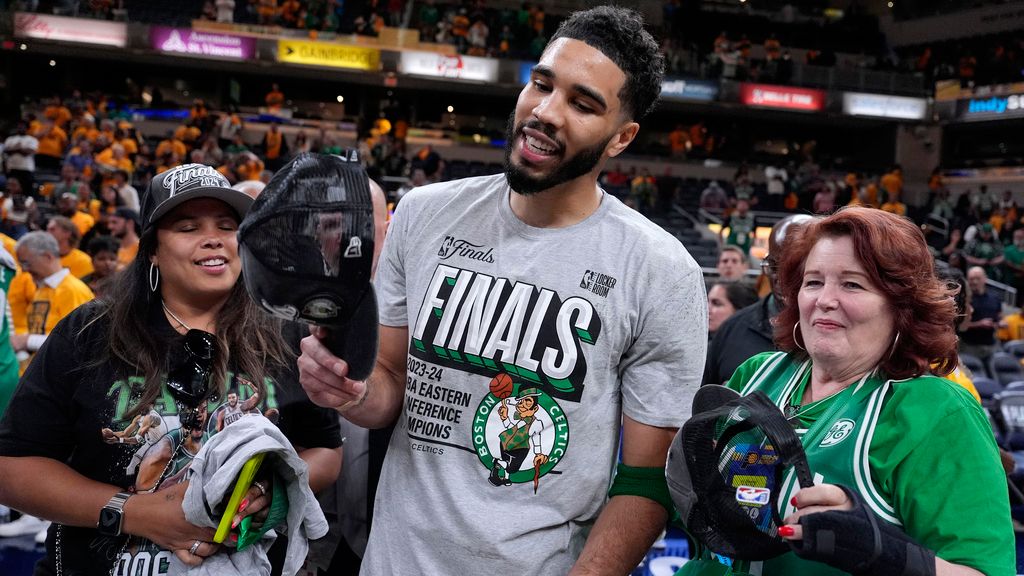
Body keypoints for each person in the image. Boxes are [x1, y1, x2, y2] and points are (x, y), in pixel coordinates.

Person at [298, 7, 706, 574]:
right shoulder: (423, 214)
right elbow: (389, 384)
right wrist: (350, 392)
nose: (545, 113)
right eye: (541, 84)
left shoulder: (662, 272)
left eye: (582, 104)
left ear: (622, 138)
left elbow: (645, 478)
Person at [0, 163, 342, 573]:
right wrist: (133, 512)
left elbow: (325, 448)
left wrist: (273, 484)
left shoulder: (287, 332)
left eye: (226, 225)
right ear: (153, 251)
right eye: (188, 227)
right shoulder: (90, 331)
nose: (213, 239)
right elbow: (13, 466)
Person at [679, 206, 1014, 575]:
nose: (825, 299)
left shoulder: (934, 411)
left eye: (852, 284)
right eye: (813, 281)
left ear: (901, 304)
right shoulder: (756, 376)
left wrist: (884, 552)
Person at [704, 214, 814, 385]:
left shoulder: (839, 336)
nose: (782, 278)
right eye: (774, 266)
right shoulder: (732, 329)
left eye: (795, 268)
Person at [961, 266, 1003, 361]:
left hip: (991, 345)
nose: (975, 282)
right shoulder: (962, 298)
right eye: (971, 279)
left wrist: (999, 323)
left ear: (985, 279)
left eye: (978, 278)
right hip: (969, 346)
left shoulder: (995, 297)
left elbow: (999, 316)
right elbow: (958, 326)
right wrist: (978, 324)